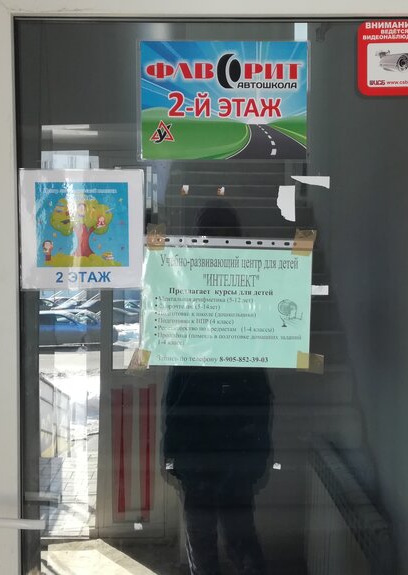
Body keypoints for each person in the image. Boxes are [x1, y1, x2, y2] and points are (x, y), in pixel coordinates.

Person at [162, 200, 273, 575]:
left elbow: (182, 382)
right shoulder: (191, 285)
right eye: (208, 237)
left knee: (219, 538)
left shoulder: (247, 285)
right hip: (217, 432)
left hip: (219, 432)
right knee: (228, 536)